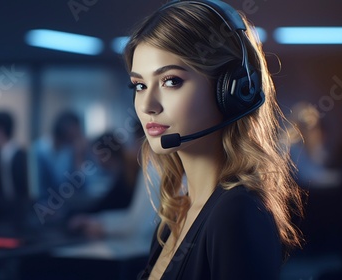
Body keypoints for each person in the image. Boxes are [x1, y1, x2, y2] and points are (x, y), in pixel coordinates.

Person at [123, 1, 304, 279]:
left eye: (171, 81)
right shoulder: (177, 210)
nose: (148, 105)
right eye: (139, 85)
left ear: (233, 89)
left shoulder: (237, 213)